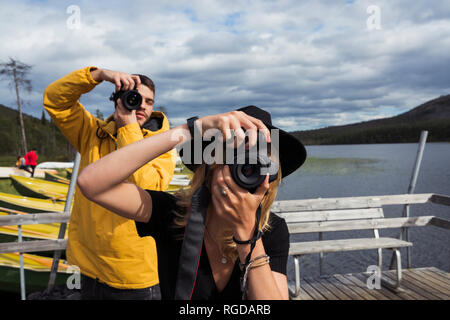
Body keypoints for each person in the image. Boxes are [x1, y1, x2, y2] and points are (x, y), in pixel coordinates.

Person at [77, 105, 307, 300]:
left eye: (255, 164)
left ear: (270, 177)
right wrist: (190, 129)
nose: (244, 172)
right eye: (233, 157)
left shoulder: (272, 230)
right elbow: (91, 182)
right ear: (209, 168)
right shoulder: (172, 213)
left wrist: (247, 235)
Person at [43, 66, 176, 299]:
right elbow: (54, 100)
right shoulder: (93, 134)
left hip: (133, 276)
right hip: (88, 269)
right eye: (135, 97)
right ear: (117, 99)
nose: (142, 105)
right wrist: (99, 75)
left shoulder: (162, 144)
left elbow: (148, 189)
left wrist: (128, 129)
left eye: (149, 101)